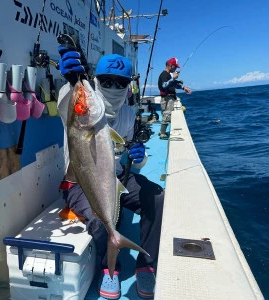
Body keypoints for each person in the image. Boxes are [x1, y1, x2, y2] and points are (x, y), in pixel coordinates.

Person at [57, 48, 164, 299]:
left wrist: (140, 156)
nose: (112, 86)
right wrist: (73, 80)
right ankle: (109, 268)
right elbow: (69, 101)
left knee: (157, 198)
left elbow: (133, 160)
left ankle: (146, 263)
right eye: (106, 81)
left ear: (128, 85)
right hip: (79, 182)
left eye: (120, 82)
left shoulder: (129, 112)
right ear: (95, 81)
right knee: (99, 219)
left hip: (116, 177)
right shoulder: (79, 105)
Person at [158, 57, 191, 139]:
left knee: (167, 115)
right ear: (170, 65)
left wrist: (183, 88)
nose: (176, 68)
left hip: (169, 98)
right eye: (175, 66)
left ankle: (162, 132)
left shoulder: (168, 75)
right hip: (166, 99)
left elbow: (174, 84)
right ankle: (162, 134)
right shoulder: (164, 74)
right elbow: (164, 85)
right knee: (167, 115)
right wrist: (173, 78)